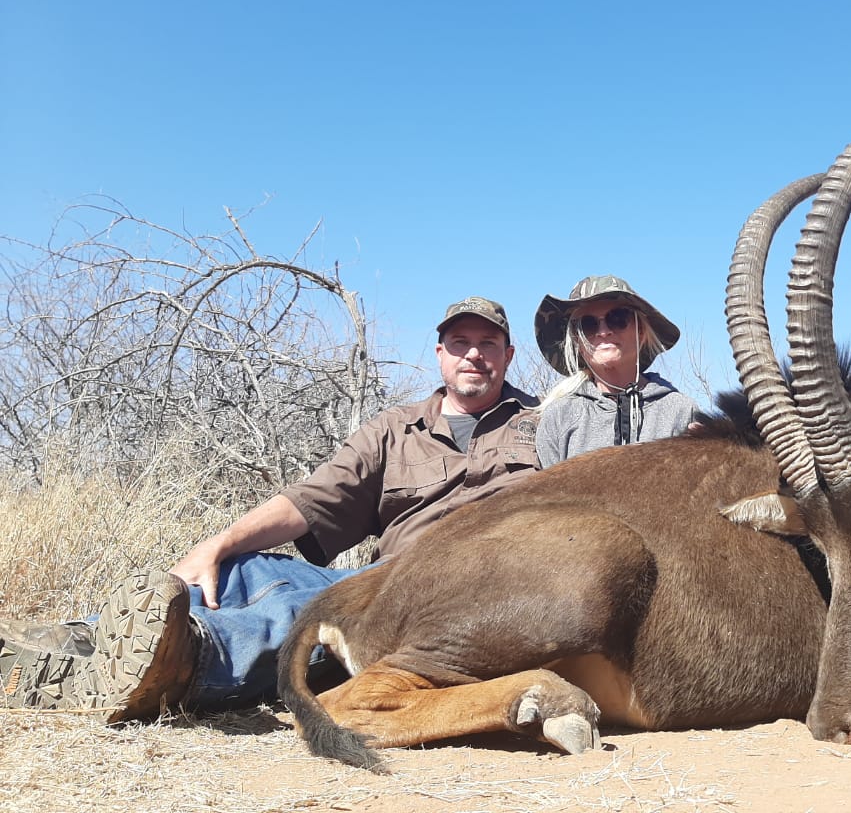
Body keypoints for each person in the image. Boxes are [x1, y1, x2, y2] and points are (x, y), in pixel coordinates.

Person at [0, 296, 539, 722]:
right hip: (384, 574)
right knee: (243, 570)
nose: (474, 354)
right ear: (440, 352)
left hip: (461, 583)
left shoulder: (543, 425)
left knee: (319, 608)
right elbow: (313, 499)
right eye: (461, 342)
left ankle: (191, 662)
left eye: (488, 344)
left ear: (508, 356)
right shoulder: (393, 429)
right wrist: (217, 545)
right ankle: (76, 643)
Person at [533, 275, 698, 467]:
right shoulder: (559, 416)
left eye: (618, 318)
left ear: (641, 331)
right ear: (577, 341)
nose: (603, 332)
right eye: (588, 325)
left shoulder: (681, 411)